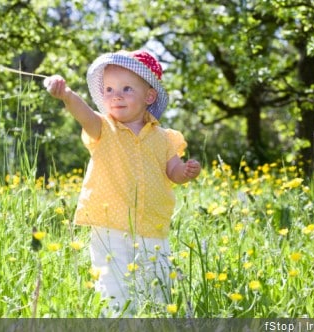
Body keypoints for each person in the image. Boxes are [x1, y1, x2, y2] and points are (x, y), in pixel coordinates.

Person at [44, 50, 201, 316]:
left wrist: (185, 171)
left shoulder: (164, 138)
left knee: (158, 287)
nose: (116, 95)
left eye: (127, 88)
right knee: (113, 288)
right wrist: (67, 95)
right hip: (109, 226)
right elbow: (84, 114)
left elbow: (172, 170)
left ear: (149, 96)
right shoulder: (104, 128)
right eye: (108, 89)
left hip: (153, 226)